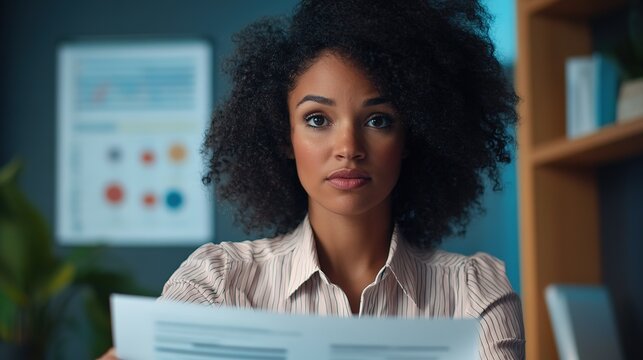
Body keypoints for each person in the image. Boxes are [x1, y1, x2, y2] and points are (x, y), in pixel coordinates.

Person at [101, 0, 524, 359]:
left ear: (413, 137)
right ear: (284, 137)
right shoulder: (219, 281)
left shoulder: (476, 293)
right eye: (317, 119)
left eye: (378, 120)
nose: (348, 147)